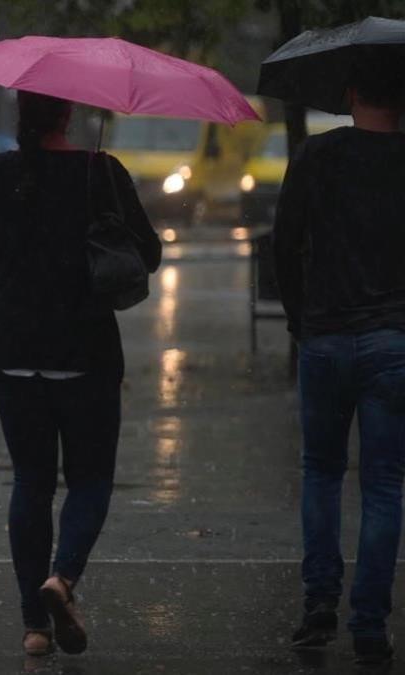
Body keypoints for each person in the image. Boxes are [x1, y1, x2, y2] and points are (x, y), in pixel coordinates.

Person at [0, 91, 161, 657]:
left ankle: (35, 626)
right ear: (69, 115)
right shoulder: (101, 171)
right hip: (85, 350)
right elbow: (146, 254)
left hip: (11, 347)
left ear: (21, 113)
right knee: (91, 478)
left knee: (31, 479)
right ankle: (64, 578)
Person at [274, 47, 405, 667]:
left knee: (322, 473)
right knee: (383, 486)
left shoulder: (317, 156)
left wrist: (301, 321)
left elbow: (285, 243)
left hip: (324, 338)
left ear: (351, 94)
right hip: (393, 343)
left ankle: (318, 604)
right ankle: (371, 624)